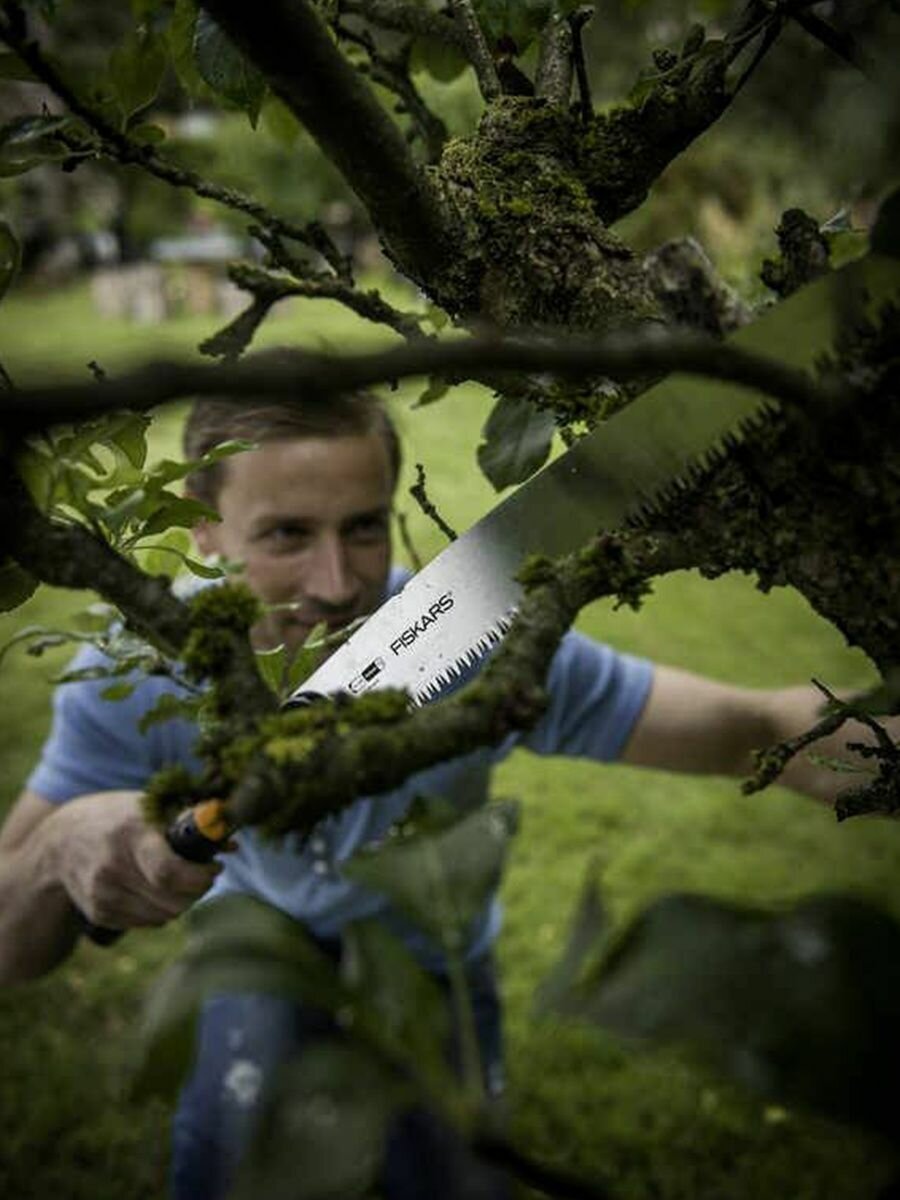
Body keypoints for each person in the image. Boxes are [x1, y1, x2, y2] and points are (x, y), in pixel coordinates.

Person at [0, 389, 882, 1198]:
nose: (337, 584)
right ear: (202, 528)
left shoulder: (464, 633)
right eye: (286, 536)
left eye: (364, 528)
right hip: (258, 956)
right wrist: (57, 850)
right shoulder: (135, 674)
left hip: (435, 962)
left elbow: (751, 731)